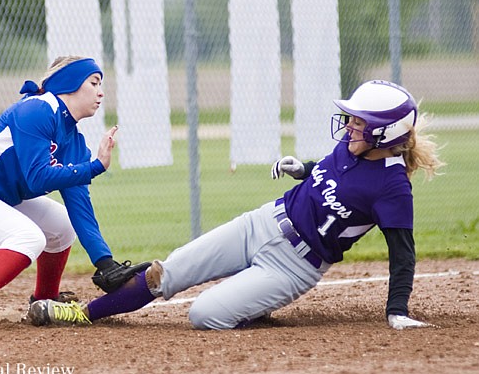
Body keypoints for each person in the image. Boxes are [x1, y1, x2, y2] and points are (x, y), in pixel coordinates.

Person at [28, 80, 445, 331]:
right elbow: (333, 172)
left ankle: (254, 302)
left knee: (204, 316)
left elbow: (402, 255)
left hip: (296, 265)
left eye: (361, 122)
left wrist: (397, 312)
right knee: (166, 273)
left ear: (385, 133)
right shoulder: (350, 146)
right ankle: (81, 313)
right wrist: (303, 168)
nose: (350, 125)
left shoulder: (392, 187)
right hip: (261, 223)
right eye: (352, 118)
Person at [0, 56, 142, 332]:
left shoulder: (74, 140)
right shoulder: (37, 110)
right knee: (29, 237)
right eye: (93, 82)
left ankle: (44, 301)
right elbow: (38, 175)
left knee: (62, 226)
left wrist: (105, 262)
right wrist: (95, 167)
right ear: (70, 83)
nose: (101, 92)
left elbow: (81, 209)